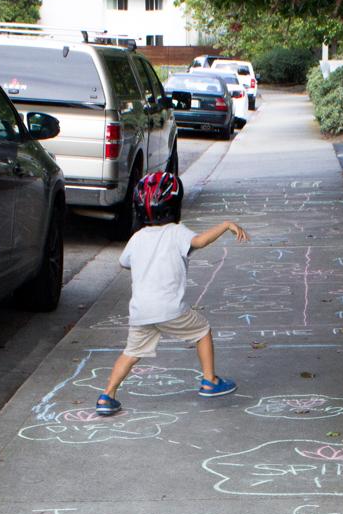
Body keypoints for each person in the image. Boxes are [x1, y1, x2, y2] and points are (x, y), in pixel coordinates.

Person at [96, 172, 250, 416]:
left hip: (141, 310)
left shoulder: (137, 238)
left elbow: (124, 262)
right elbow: (198, 242)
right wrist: (226, 225)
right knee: (203, 330)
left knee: (131, 353)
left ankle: (107, 396)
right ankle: (209, 381)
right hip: (168, 308)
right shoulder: (176, 231)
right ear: (174, 206)